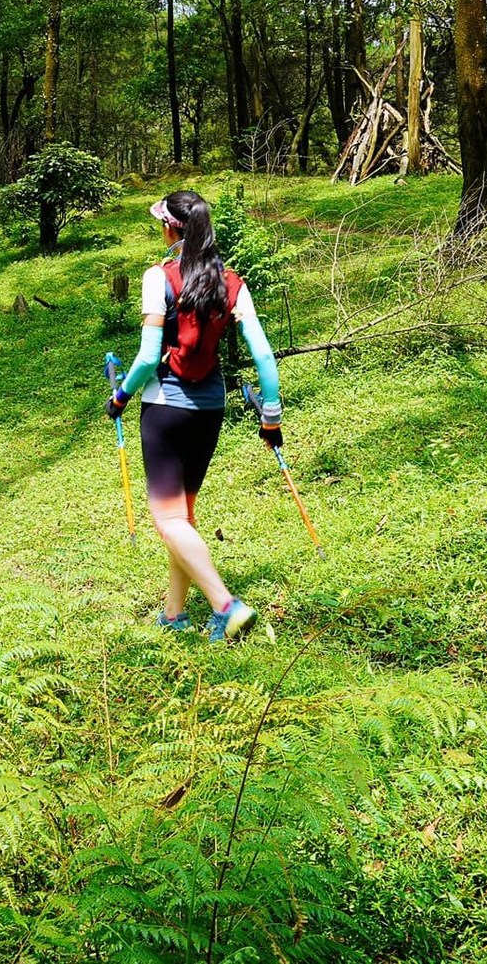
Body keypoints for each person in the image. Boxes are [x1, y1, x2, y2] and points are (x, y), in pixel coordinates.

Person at [105, 190, 282, 642]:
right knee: (182, 516)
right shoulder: (233, 283)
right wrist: (271, 418)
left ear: (171, 229)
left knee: (167, 520)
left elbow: (147, 358)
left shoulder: (157, 277)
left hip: (165, 408)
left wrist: (121, 397)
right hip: (210, 409)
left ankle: (226, 606)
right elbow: (264, 356)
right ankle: (173, 613)